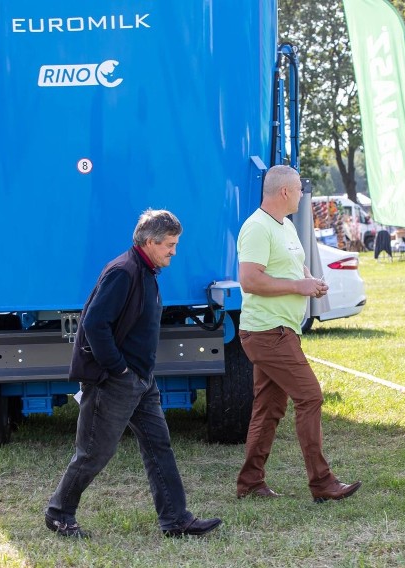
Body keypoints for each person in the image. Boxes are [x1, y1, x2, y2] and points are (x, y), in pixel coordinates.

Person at [45, 209, 222, 538]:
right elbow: (95, 324)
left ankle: (176, 520)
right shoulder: (124, 272)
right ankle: (59, 513)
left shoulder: (146, 270)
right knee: (94, 453)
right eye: (170, 244)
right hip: (117, 381)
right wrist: (120, 369)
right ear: (151, 242)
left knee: (159, 446)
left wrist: (136, 373)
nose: (174, 251)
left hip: (142, 381)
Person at [236, 164, 362, 503]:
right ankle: (322, 483)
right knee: (310, 396)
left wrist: (310, 283)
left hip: (281, 330)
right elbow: (249, 280)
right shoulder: (257, 228)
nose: (303, 195)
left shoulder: (285, 226)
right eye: (300, 189)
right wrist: (298, 286)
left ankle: (250, 483)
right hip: (266, 332)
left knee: (268, 410)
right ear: (284, 192)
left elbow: (293, 267)